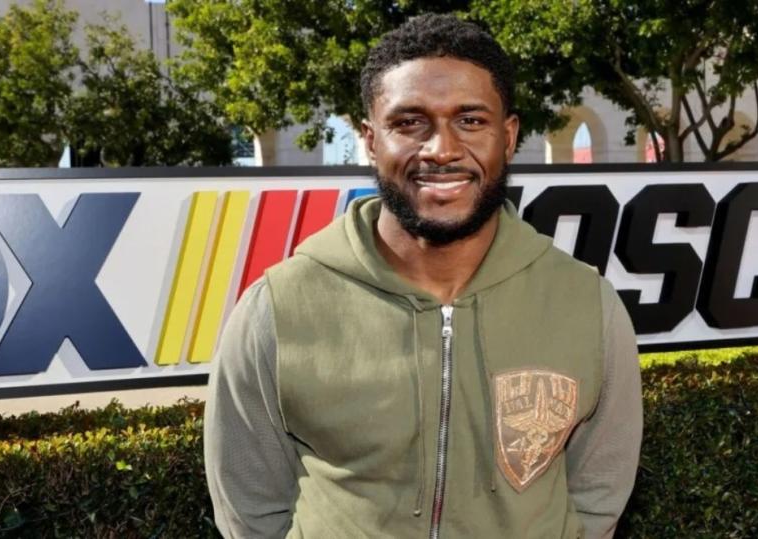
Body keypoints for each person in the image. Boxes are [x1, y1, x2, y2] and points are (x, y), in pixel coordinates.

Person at [205, 13, 642, 539]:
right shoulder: (277, 308)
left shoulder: (585, 304)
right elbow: (250, 509)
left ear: (508, 135)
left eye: (471, 120)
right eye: (409, 122)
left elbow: (598, 495)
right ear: (370, 139)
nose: (441, 150)